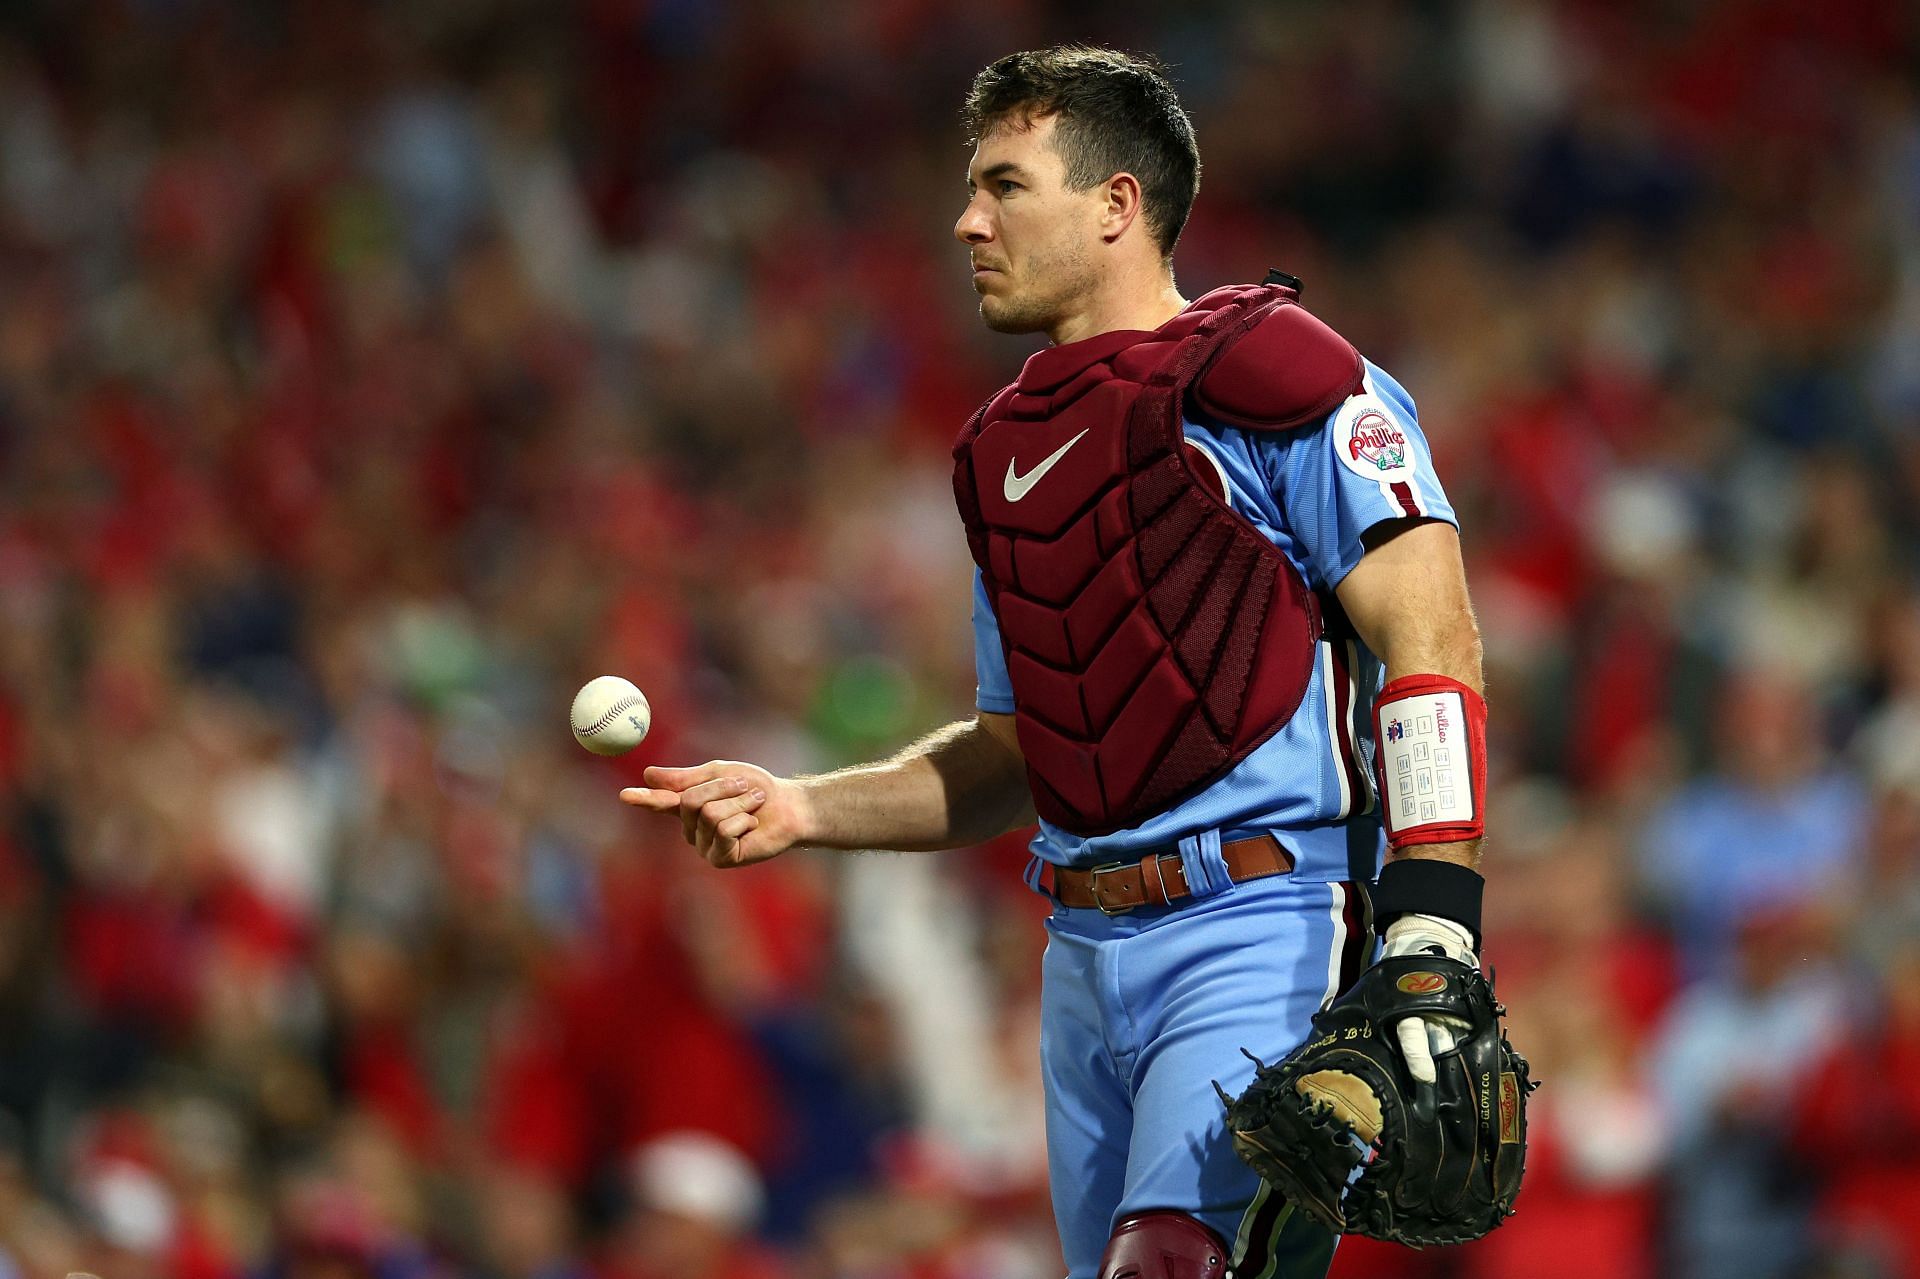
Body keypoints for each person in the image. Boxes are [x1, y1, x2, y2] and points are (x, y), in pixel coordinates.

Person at [624, 46, 1491, 1279]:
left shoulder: (1274, 374)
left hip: (1266, 920)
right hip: (1082, 961)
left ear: (1116, 205)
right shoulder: (1003, 453)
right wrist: (803, 805)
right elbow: (1012, 755)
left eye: (1005, 184)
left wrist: (1436, 918)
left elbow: (1434, 635)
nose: (967, 219)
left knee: (1171, 1262)